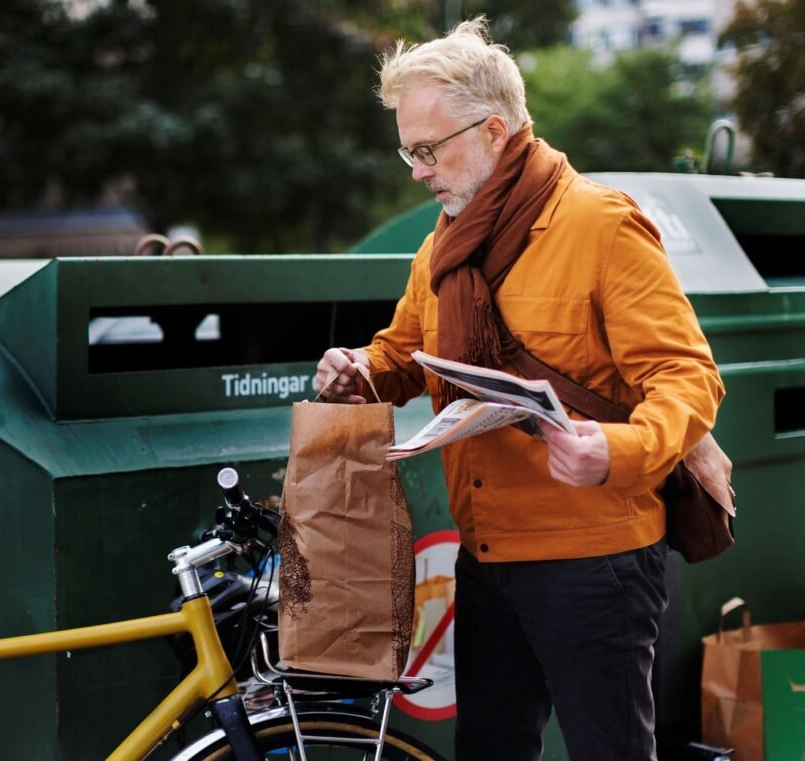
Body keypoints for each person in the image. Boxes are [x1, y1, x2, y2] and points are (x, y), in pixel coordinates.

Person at [314, 17, 724, 761]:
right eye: (408, 151)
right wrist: (361, 369)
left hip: (594, 560)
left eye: (429, 150)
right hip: (487, 555)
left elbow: (688, 376)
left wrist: (615, 448)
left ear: (495, 130)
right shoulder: (441, 246)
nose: (416, 170)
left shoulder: (602, 225)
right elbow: (407, 352)